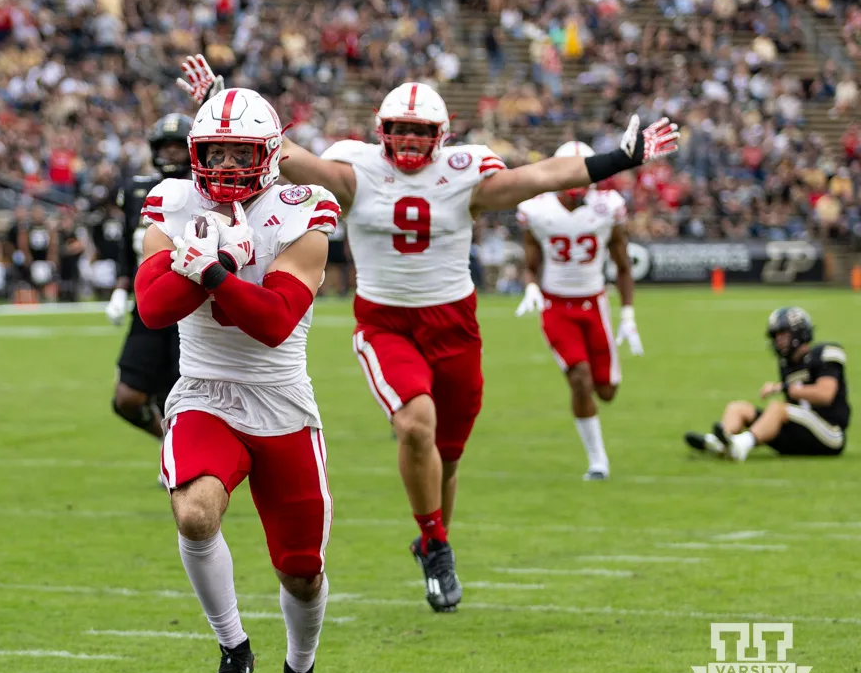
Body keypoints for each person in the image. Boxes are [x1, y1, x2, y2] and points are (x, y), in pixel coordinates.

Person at [177, 55, 680, 613]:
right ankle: (437, 545)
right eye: (402, 130)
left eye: (421, 131)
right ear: (381, 132)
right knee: (416, 425)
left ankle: (434, 535)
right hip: (386, 322)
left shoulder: (465, 176)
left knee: (447, 454)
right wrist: (221, 107)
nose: (411, 140)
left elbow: (540, 176)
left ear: (442, 136)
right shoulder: (355, 171)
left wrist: (622, 157)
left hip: (456, 324)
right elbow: (281, 154)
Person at [133, 88, 339, 673]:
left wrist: (214, 272)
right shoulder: (173, 201)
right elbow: (152, 309)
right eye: (213, 150)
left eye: (239, 151)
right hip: (204, 392)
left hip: (281, 402)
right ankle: (232, 646)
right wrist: (207, 265)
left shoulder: (300, 210)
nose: (222, 164)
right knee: (194, 514)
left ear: (270, 155)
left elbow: (276, 321)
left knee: (302, 572)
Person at [514, 141, 642, 480]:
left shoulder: (608, 206)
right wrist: (530, 286)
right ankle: (598, 460)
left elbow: (623, 264)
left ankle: (596, 447)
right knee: (580, 379)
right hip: (556, 305)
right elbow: (530, 262)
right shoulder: (537, 209)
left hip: (595, 303)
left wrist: (628, 313)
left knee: (607, 391)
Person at [107, 114, 193, 452]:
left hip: (189, 306)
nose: (171, 154)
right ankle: (168, 444)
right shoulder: (135, 191)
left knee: (181, 394)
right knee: (127, 398)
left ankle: (181, 456)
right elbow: (127, 246)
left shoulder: (203, 190)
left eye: (177, 147)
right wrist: (119, 288)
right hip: (146, 304)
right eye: (165, 147)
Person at [685, 307, 848, 460]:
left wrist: (784, 388)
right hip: (800, 433)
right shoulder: (787, 364)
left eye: (782, 335)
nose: (778, 341)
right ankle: (721, 443)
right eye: (776, 336)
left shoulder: (825, 353)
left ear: (798, 332)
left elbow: (825, 395)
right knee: (738, 408)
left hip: (830, 434)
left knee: (777, 407)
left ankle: (740, 445)